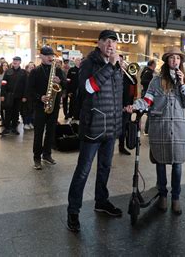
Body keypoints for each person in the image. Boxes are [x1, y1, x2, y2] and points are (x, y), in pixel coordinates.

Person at [67, 30, 124, 233]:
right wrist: (110, 66)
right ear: (99, 43)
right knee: (83, 170)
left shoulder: (117, 64)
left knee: (105, 167)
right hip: (93, 126)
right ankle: (73, 211)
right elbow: (89, 88)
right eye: (107, 41)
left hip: (111, 126)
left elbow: (119, 94)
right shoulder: (89, 63)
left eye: (114, 42)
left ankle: (101, 201)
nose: (111, 45)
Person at [131, 46, 185, 215]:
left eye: (178, 58)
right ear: (167, 61)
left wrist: (182, 84)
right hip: (160, 127)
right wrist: (135, 106)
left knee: (177, 164)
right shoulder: (156, 80)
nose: (175, 61)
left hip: (178, 128)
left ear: (181, 61)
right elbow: (147, 99)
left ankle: (176, 198)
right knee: (160, 162)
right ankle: (162, 195)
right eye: (172, 58)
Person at [26, 47, 66, 169]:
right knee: (38, 133)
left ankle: (47, 154)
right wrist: (40, 97)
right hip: (40, 107)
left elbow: (65, 84)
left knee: (51, 132)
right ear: (41, 56)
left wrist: (60, 81)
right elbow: (29, 90)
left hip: (53, 106)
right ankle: (36, 157)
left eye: (52, 55)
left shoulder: (58, 70)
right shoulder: (35, 72)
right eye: (47, 55)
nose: (50, 57)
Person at [0, 56, 27, 136]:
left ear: (20, 62)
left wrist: (25, 96)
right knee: (8, 112)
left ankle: (14, 128)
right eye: (14, 60)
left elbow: (26, 85)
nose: (15, 61)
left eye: (17, 60)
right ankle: (7, 128)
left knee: (16, 113)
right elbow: (3, 83)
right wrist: (2, 94)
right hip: (8, 96)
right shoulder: (8, 71)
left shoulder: (23, 72)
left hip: (19, 96)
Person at [118, 55, 138, 156]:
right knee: (119, 127)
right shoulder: (113, 73)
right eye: (119, 61)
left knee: (125, 125)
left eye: (122, 62)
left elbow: (134, 82)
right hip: (117, 105)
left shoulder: (126, 75)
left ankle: (122, 146)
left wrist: (129, 72)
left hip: (127, 105)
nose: (121, 64)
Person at [140, 59, 156, 135]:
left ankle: (146, 129)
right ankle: (146, 130)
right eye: (155, 64)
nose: (155, 65)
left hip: (147, 93)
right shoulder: (148, 72)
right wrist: (152, 82)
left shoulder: (149, 71)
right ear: (152, 64)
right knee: (149, 111)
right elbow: (142, 81)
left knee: (147, 111)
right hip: (147, 93)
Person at [22, 62, 36, 130]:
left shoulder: (35, 75)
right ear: (27, 68)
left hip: (33, 96)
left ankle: (30, 122)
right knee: (26, 111)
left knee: (32, 110)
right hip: (26, 96)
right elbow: (23, 87)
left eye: (33, 67)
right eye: (30, 67)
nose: (31, 69)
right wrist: (24, 96)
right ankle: (25, 123)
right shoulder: (24, 75)